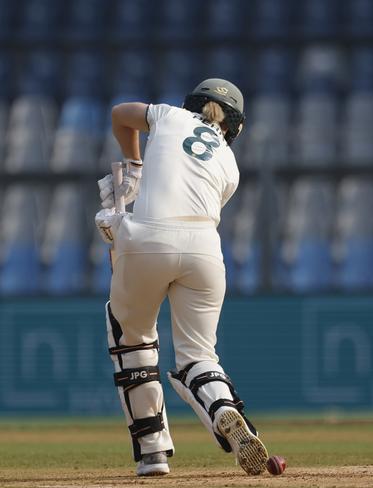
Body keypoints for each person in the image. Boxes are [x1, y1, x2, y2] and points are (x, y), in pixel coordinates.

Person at [94, 79, 268, 477]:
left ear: (193, 103)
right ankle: (223, 408)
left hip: (148, 239)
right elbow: (186, 211)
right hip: (205, 250)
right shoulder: (230, 165)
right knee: (199, 357)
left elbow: (121, 114)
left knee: (132, 337)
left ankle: (152, 453)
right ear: (235, 127)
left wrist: (123, 214)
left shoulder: (168, 115)